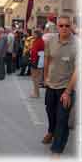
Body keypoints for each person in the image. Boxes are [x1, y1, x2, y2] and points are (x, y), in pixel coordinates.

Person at [42, 16, 77, 156]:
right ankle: (51, 131)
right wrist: (45, 78)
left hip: (66, 87)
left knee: (62, 118)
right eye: (61, 25)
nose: (64, 28)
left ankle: (57, 149)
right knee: (50, 112)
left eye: (67, 26)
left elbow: (77, 70)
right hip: (51, 85)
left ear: (71, 27)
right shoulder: (51, 41)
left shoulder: (77, 45)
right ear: (57, 26)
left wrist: (68, 92)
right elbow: (47, 59)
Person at [29, 29, 44, 98]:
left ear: (37, 34)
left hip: (36, 60)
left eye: (34, 33)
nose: (32, 34)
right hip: (35, 60)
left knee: (35, 78)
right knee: (34, 78)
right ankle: (35, 92)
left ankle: (36, 93)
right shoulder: (36, 41)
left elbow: (38, 52)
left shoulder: (39, 41)